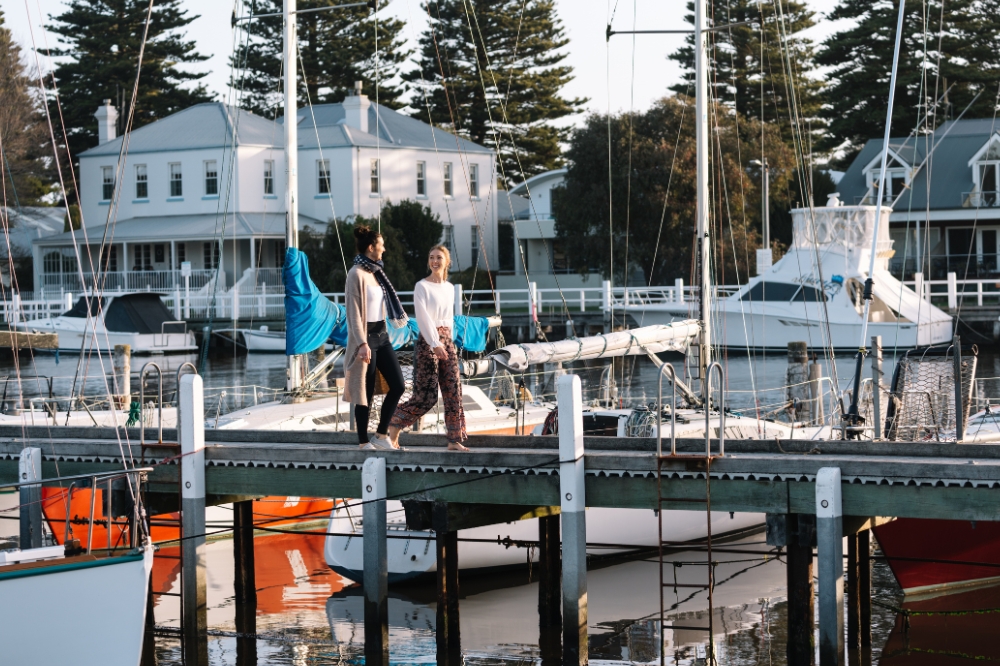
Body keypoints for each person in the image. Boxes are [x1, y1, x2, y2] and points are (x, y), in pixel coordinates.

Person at [388, 245, 469, 451]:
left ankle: (453, 440)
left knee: (453, 392)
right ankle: (393, 425)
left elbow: (449, 317)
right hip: (428, 342)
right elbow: (423, 317)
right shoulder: (421, 286)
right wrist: (435, 343)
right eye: (431, 257)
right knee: (427, 395)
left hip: (448, 340)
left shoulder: (450, 287)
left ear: (446, 261)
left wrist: (450, 342)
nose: (435, 261)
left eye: (439, 257)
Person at [344, 225, 408, 450]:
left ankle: (381, 435)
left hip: (382, 336)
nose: (385, 249)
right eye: (381, 245)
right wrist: (361, 343)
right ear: (371, 247)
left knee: (398, 385)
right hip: (366, 339)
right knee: (366, 391)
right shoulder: (356, 273)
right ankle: (363, 441)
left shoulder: (376, 272)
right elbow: (353, 312)